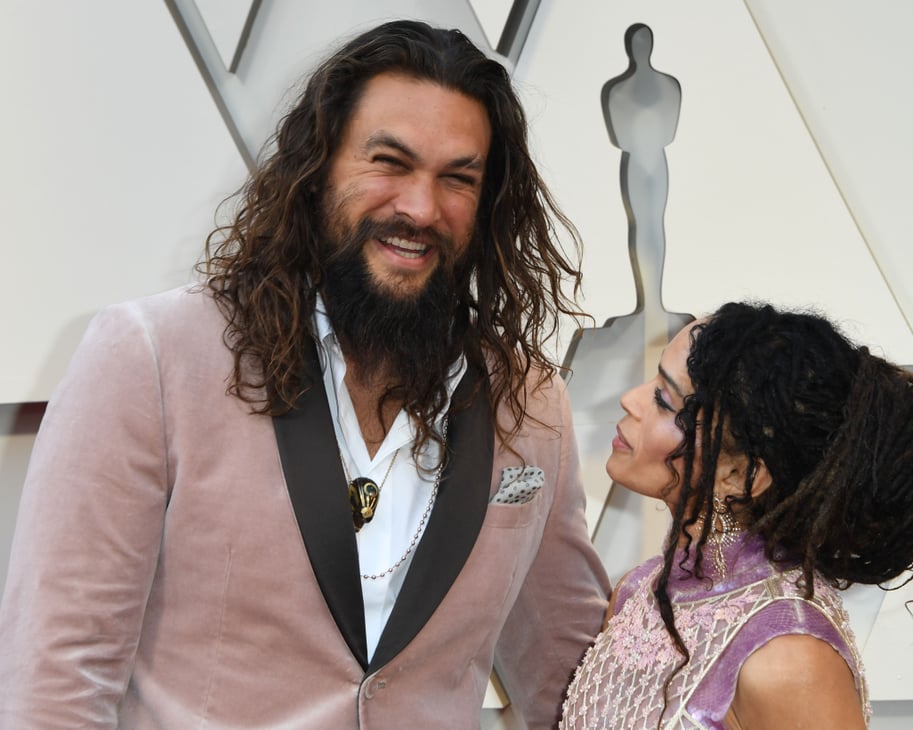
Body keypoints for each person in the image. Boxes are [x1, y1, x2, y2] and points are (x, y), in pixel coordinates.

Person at [0, 20, 610, 729]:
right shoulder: (152, 356)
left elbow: (575, 687)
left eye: (457, 179)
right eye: (390, 162)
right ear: (318, 167)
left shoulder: (529, 406)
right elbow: (56, 682)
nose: (420, 206)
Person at [560, 302, 913, 729]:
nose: (629, 400)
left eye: (664, 401)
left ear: (740, 473)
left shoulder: (789, 654)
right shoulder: (639, 590)